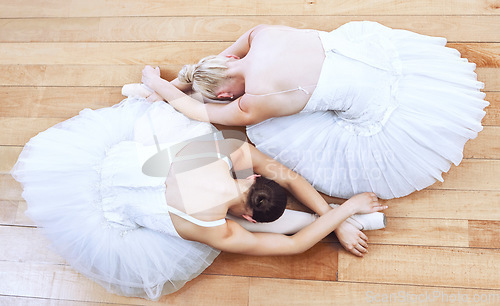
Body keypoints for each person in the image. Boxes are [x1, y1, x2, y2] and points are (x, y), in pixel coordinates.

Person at [11, 97, 387, 300]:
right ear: (250, 220)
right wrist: (345, 213)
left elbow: (289, 177)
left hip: (102, 163)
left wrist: (347, 206)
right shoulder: (215, 231)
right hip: (106, 208)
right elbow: (295, 246)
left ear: (254, 178)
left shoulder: (229, 152)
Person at [139, 21, 490, 200]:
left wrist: (158, 84)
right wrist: (189, 80)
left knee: (279, 132)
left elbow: (199, 113)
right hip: (379, 64)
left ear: (228, 93)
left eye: (224, 96)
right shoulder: (261, 34)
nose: (228, 100)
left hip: (381, 112)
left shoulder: (252, 102)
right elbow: (230, 57)